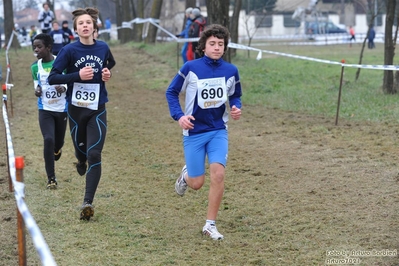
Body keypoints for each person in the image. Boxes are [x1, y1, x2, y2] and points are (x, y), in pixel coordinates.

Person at [165, 24, 242, 240]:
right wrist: (179, 116)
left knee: (218, 173)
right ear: (204, 46)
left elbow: (236, 94)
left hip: (218, 130)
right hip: (194, 132)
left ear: (225, 47)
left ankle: (210, 225)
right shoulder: (190, 68)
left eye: (220, 44)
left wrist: (236, 107)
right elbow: (171, 92)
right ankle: (186, 174)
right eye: (212, 44)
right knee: (197, 183)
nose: (217, 48)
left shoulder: (231, 71)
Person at [48, 7, 114, 221]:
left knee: (95, 153)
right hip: (76, 110)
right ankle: (80, 159)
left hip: (97, 108)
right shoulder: (69, 50)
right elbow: (53, 78)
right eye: (81, 24)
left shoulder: (103, 47)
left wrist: (106, 73)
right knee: (81, 151)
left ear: (94, 26)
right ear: (76, 29)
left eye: (88, 23)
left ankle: (88, 202)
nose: (85, 26)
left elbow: (109, 64)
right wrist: (77, 75)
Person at [30, 33, 68, 189]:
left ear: (49, 48)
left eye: (39, 47)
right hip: (45, 109)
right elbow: (36, 84)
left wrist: (63, 87)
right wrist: (37, 90)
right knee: (48, 139)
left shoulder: (62, 63)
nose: (36, 50)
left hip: (61, 109)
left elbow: (68, 82)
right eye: (34, 47)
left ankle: (57, 149)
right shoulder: (35, 67)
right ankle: (51, 178)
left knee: (57, 143)